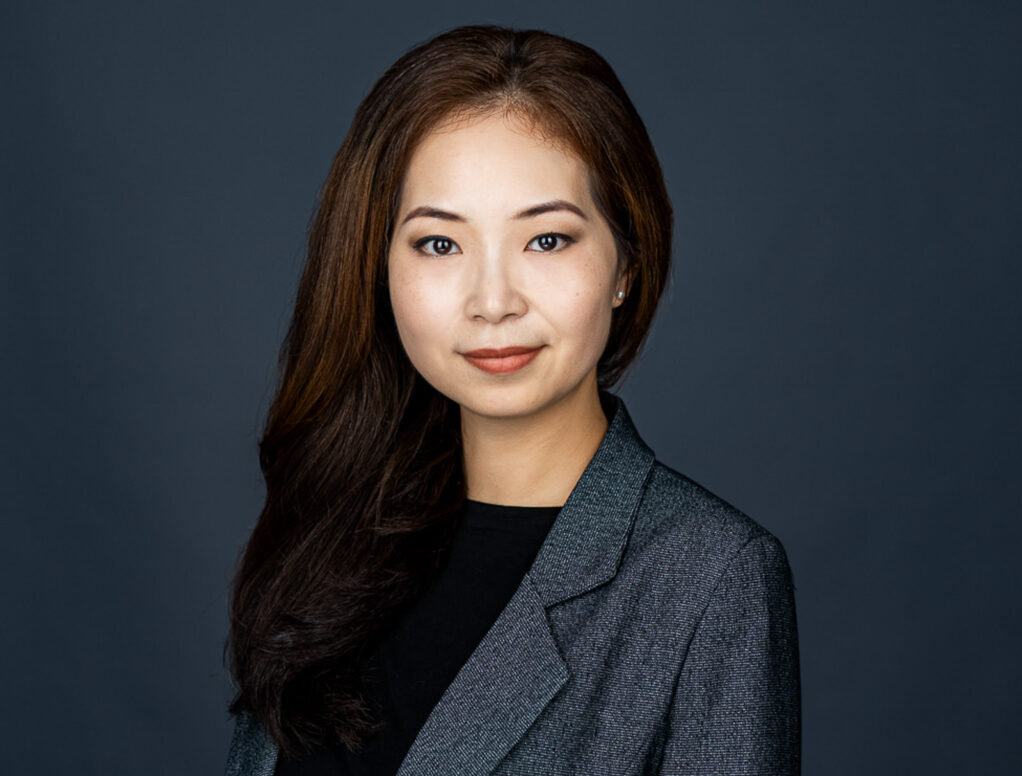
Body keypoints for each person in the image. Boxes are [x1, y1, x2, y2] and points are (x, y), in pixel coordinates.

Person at [223, 24, 800, 776]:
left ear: (626, 261)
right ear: (377, 266)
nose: (493, 302)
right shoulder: (329, 530)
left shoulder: (709, 577)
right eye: (439, 244)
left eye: (548, 240)